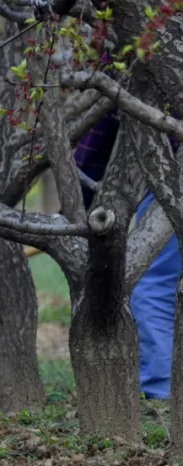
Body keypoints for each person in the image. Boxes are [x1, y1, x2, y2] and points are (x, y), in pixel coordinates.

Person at [72, 111, 181, 400]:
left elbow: (96, 140)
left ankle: (161, 391)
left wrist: (76, 206)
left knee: (155, 283)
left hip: (174, 175)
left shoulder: (136, 66)